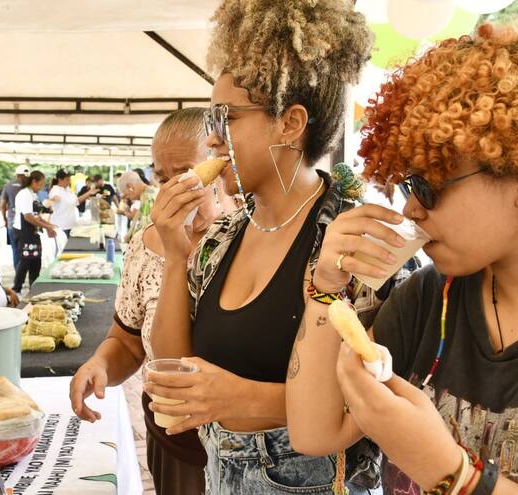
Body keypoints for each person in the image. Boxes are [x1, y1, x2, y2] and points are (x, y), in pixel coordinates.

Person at [287, 18, 518, 495]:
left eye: (427, 184)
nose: (411, 208)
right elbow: (314, 432)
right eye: (406, 184)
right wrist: (325, 290)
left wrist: (453, 474)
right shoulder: (429, 298)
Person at [146, 1, 381, 493]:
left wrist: (244, 398)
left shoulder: (352, 244)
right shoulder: (220, 238)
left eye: (225, 119)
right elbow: (180, 379)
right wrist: (174, 256)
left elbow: (378, 400)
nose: (211, 142)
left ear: (290, 124)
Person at [70, 108, 237, 495]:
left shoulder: (248, 232)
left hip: (239, 446)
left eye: (184, 172)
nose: (171, 187)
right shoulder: (144, 242)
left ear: (219, 163)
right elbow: (127, 339)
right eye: (162, 176)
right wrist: (100, 365)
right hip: (170, 439)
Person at [12, 171, 56, 294]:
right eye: (40, 184)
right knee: (25, 260)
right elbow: (28, 217)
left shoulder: (33, 194)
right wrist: (47, 227)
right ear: (34, 182)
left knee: (36, 260)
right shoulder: (25, 194)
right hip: (24, 231)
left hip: (32, 231)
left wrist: (48, 225)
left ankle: (34, 288)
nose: (41, 188)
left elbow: (36, 215)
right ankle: (17, 289)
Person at [1, 165, 29, 268]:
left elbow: (2, 205)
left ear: (16, 174)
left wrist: (4, 219)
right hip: (26, 223)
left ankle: (18, 274)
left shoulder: (8, 186)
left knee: (15, 249)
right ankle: (25, 272)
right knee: (26, 249)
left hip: (11, 222)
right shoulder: (27, 187)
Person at [116, 171, 157, 241]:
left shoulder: (147, 197)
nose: (129, 198)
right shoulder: (149, 193)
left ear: (130, 187)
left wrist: (130, 237)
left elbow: (145, 228)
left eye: (127, 195)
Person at [47, 169, 86, 238]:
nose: (69, 182)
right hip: (61, 226)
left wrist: (88, 193)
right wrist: (54, 199)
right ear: (60, 180)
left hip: (71, 225)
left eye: (69, 179)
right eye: (67, 180)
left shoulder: (68, 189)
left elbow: (76, 201)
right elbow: (54, 198)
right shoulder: (55, 190)